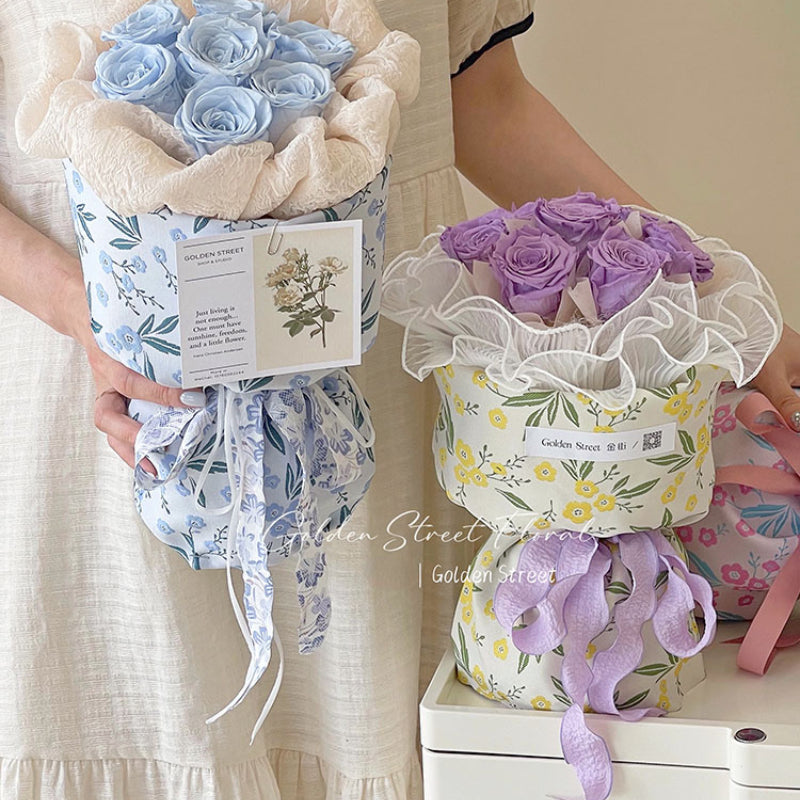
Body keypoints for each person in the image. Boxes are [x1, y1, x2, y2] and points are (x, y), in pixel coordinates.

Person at [0, 0, 797, 798]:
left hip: (381, 362)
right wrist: (85, 309)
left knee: (388, 712)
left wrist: (714, 304)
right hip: (128, 379)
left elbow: (484, 100)